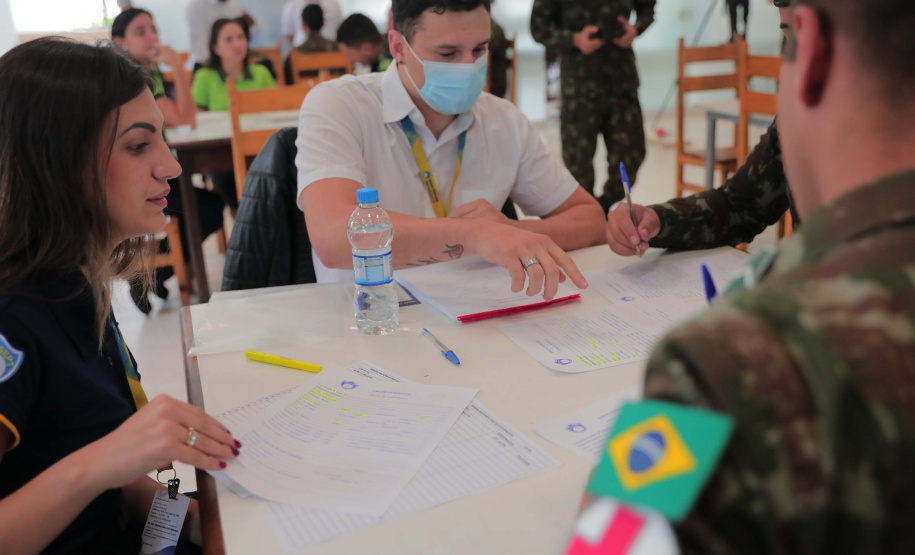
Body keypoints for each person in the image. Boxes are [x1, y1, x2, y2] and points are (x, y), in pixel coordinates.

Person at [589, 0, 915, 550]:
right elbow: (742, 201)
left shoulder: (727, 365)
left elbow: (607, 542)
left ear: (807, 45)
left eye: (783, 37)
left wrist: (612, 494)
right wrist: (660, 219)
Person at [0, 38, 240, 554]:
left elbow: (115, 480)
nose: (171, 167)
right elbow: (97, 465)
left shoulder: (73, 285)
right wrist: (100, 462)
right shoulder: (13, 317)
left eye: (162, 139)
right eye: (138, 146)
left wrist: (207, 528)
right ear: (57, 162)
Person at [297, 0, 606, 299]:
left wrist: (512, 229)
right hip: (371, 317)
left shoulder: (504, 120)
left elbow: (591, 221)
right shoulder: (339, 104)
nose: (468, 67)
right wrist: (473, 235)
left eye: (479, 50)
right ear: (398, 47)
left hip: (476, 311)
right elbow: (334, 237)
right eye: (447, 53)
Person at [605, 2, 795, 258]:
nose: (799, 65)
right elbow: (736, 208)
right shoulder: (798, 123)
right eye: (790, 39)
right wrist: (657, 220)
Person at [112, 7, 227, 313]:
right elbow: (184, 118)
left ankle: (151, 273)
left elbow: (184, 119)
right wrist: (177, 64)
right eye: (141, 31)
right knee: (207, 208)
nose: (152, 38)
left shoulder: (149, 73)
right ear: (119, 42)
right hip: (142, 174)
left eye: (154, 29)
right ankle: (150, 272)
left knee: (209, 206)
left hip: (159, 168)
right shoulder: (130, 82)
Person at [531, 0, 655, 213]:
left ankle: (602, 207)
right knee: (578, 166)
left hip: (621, 81)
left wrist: (636, 29)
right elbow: (538, 28)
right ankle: (586, 217)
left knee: (631, 156)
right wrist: (574, 39)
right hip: (579, 88)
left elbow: (648, 7)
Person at [193, 18, 277, 209]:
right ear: (215, 47)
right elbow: (198, 120)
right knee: (234, 184)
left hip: (262, 150)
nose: (237, 43)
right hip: (221, 153)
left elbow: (276, 111)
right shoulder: (204, 77)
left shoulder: (261, 72)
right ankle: (246, 227)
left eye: (240, 37)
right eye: (229, 39)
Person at [185, 0, 255, 70]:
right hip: (207, 65)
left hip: (233, 65)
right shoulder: (197, 6)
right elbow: (200, 44)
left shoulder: (234, 5)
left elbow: (246, 32)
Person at [283, 4, 340, 84]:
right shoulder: (338, 49)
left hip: (303, 95)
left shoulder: (295, 54)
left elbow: (288, 83)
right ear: (323, 22)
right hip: (335, 93)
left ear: (303, 24)